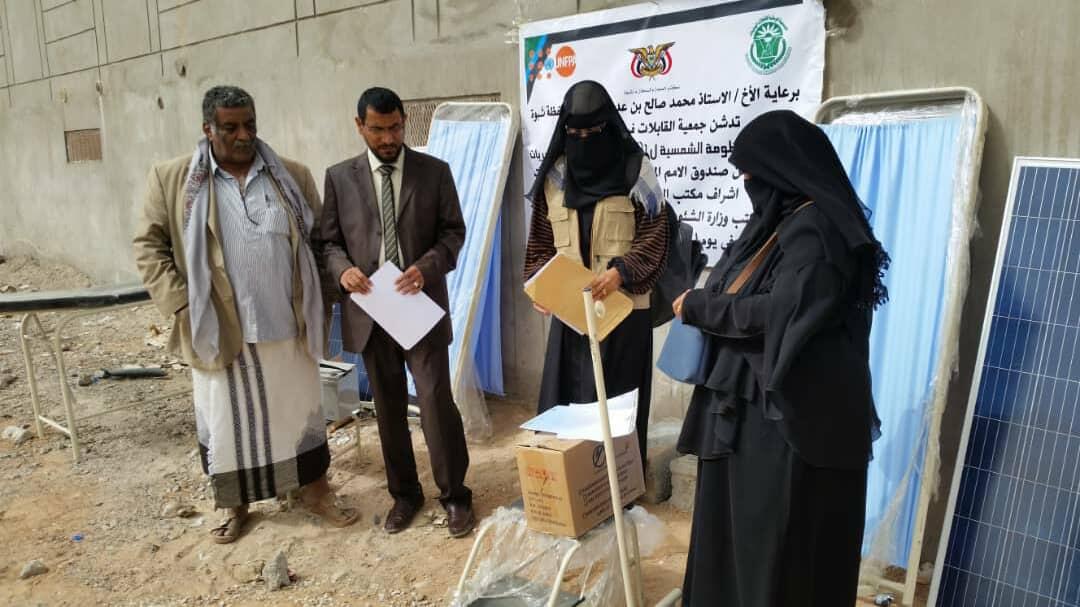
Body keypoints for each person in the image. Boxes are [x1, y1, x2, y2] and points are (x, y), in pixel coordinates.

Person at [671, 109, 889, 606]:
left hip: (793, 426)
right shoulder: (784, 223)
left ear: (780, 174)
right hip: (754, 415)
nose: (748, 187)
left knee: (777, 548)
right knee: (740, 542)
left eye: (752, 177)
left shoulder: (816, 234)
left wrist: (705, 306)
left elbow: (783, 315)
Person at [133, 85, 358, 544]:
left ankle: (314, 491)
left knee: (299, 414)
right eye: (231, 127)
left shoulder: (290, 175)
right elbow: (149, 247)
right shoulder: (172, 179)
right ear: (208, 129)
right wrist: (181, 303)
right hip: (217, 328)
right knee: (226, 422)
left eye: (249, 124)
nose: (243, 135)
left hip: (287, 324)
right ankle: (235, 506)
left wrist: (325, 304)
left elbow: (318, 244)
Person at [321, 86, 475, 538]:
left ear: (404, 123)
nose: (388, 138)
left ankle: (455, 496)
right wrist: (343, 270)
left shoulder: (434, 172)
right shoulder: (339, 177)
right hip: (371, 308)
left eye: (395, 128)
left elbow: (453, 233)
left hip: (419, 305)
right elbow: (327, 241)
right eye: (378, 129)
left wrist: (426, 268)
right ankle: (405, 495)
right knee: (387, 408)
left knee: (434, 402)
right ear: (359, 126)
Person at [523, 80, 669, 467]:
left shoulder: (637, 170)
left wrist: (621, 272)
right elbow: (539, 242)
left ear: (610, 126)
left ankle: (622, 482)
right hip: (571, 313)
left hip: (622, 309)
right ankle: (576, 482)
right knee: (569, 396)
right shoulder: (555, 177)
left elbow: (657, 236)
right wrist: (540, 286)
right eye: (575, 133)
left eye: (593, 132)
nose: (583, 139)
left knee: (620, 401)